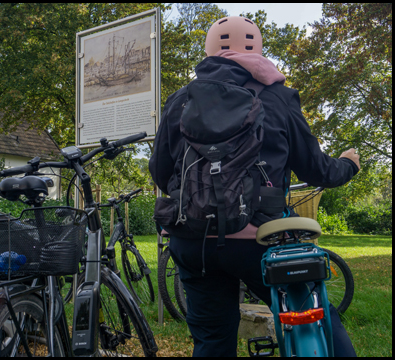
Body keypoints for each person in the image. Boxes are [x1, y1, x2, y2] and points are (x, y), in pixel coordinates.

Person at [149, 16, 359, 357]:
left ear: (209, 50)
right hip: (263, 238)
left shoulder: (180, 100)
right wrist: (349, 163)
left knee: (212, 341)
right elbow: (317, 169)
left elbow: (159, 170)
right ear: (257, 48)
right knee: (316, 320)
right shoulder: (278, 97)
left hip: (194, 240)